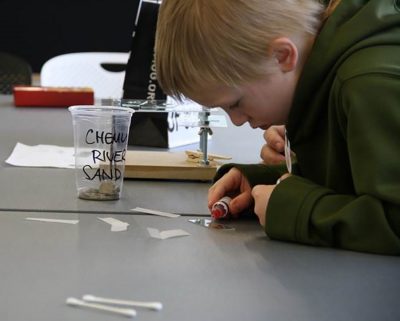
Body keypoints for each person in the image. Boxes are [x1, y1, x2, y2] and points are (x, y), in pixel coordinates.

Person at [155, 0, 400, 255]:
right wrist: (269, 182)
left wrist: (294, 209)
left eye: (236, 104)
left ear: (282, 56)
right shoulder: (327, 72)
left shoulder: (369, 84)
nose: (237, 121)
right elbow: (355, 181)